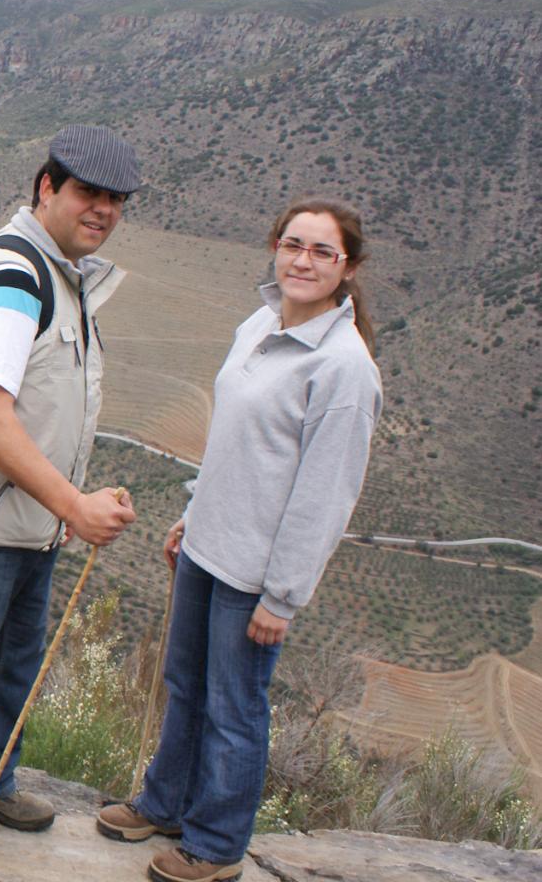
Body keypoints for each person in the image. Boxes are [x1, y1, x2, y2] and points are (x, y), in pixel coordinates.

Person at [95, 199, 382, 882]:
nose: (303, 261)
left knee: (235, 707)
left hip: (254, 571)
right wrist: (194, 512)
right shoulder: (261, 324)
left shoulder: (344, 368)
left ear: (348, 267)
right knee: (185, 685)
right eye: (294, 245)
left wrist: (282, 596)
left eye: (322, 252)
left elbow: (325, 495)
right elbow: (234, 440)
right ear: (274, 248)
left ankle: (217, 845)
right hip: (207, 545)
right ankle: (165, 804)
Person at [0, 125, 140, 865]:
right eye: (86, 193)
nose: (101, 210)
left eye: (115, 200)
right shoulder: (12, 276)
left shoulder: (62, 273)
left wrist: (63, 506)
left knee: (12, 663)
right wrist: (76, 506)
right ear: (47, 188)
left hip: (27, 522)